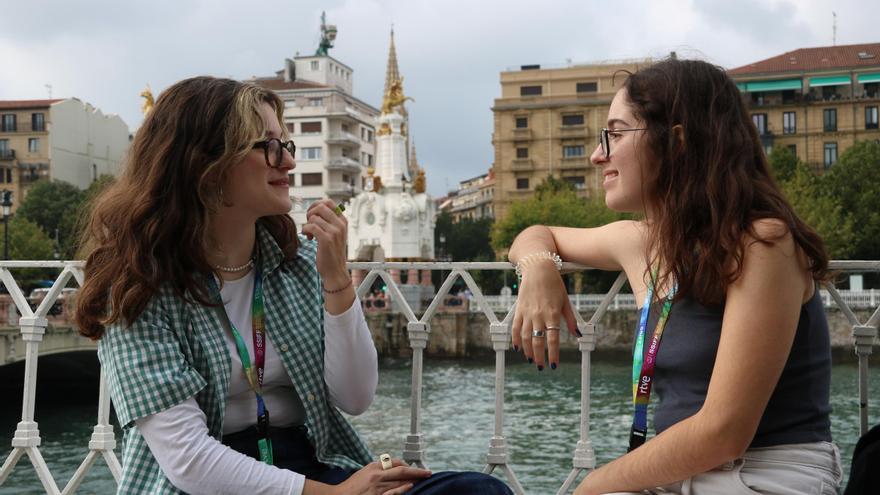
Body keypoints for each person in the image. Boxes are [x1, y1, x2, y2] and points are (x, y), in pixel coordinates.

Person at [75, 76, 511, 495]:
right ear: (205, 165)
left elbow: (356, 398)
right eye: (267, 146)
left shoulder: (296, 263)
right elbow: (189, 460)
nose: (287, 160)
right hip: (205, 484)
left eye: (286, 144)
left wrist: (337, 279)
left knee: (478, 489)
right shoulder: (136, 286)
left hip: (305, 463)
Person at [508, 59, 841, 494]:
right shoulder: (643, 242)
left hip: (764, 474)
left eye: (616, 133)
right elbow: (537, 233)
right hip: (673, 475)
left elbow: (724, 431)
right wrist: (537, 270)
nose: (597, 154)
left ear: (677, 142)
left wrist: (592, 485)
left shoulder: (763, 243)